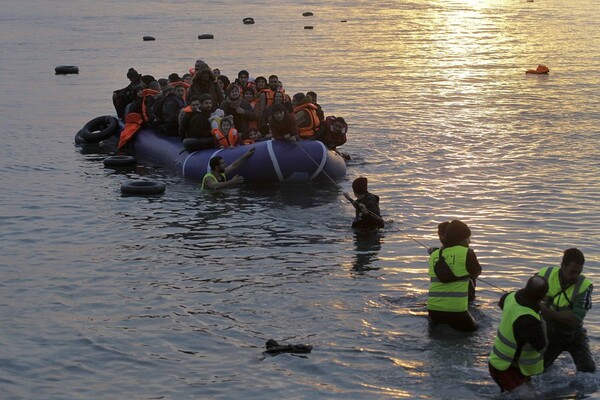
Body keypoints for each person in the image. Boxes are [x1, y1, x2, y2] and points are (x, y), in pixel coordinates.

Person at [537, 248, 595, 373]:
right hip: (550, 333)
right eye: (572, 272)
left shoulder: (585, 286)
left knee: (589, 371)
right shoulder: (544, 274)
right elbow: (527, 298)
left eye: (579, 272)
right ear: (563, 266)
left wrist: (547, 312)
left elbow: (575, 319)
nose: (575, 276)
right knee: (538, 371)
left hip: (574, 335)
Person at [489, 276, 549, 393]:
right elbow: (542, 347)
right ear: (543, 297)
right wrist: (543, 322)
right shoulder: (528, 320)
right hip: (506, 368)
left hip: (500, 363)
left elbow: (501, 304)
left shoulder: (510, 297)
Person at [427, 219, 482, 332]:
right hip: (457, 311)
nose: (469, 241)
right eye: (467, 238)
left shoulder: (434, 255)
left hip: (433, 310)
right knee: (477, 331)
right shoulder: (467, 253)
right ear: (460, 239)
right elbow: (476, 272)